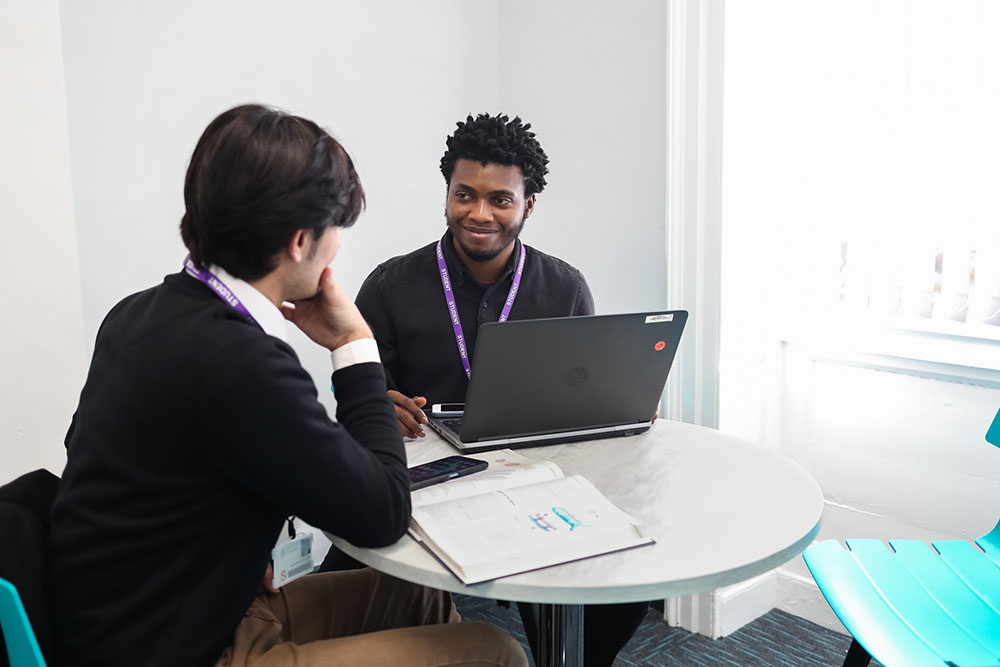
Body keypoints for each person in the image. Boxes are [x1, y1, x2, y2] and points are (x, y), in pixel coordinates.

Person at [47, 104, 527, 667]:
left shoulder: (135, 314)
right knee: (495, 652)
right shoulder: (244, 363)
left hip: (161, 614)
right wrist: (353, 345)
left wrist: (235, 549)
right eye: (336, 232)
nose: (338, 248)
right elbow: (382, 515)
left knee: (417, 592)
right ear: (301, 241)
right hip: (185, 649)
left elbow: (98, 454)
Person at [352, 112, 650, 667]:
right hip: (427, 482)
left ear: (527, 205)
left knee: (626, 587)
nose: (479, 213)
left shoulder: (563, 287)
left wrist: (621, 401)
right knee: (356, 585)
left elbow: (585, 404)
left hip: (533, 477)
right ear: (447, 195)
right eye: (464, 194)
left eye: (500, 199)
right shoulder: (391, 285)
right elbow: (363, 406)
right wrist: (377, 407)